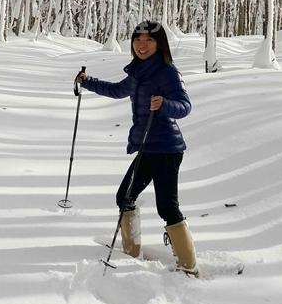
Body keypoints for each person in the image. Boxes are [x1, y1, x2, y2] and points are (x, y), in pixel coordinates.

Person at [75, 21, 197, 275]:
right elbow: (118, 90)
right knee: (125, 197)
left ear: (159, 44)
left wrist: (165, 104)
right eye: (137, 40)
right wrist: (88, 82)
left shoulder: (167, 72)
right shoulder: (139, 72)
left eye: (149, 40)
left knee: (167, 207)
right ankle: (131, 253)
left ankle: (189, 266)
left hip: (167, 149)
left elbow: (185, 106)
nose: (142, 45)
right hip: (146, 148)